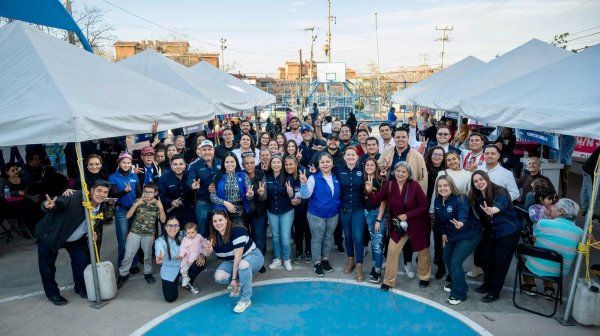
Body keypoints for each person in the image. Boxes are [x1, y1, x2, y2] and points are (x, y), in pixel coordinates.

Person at [36, 180, 109, 305]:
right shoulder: (75, 196)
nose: (102, 194)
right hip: (52, 235)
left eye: (105, 192)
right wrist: (49, 205)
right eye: (99, 190)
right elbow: (58, 203)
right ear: (91, 190)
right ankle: (52, 294)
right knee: (47, 267)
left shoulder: (101, 207)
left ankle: (80, 287)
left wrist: (93, 234)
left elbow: (96, 226)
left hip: (76, 238)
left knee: (81, 262)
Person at [366, 161, 432, 290]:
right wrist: (369, 192)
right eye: (398, 171)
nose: (400, 174)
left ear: (408, 174)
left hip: (418, 223)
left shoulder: (415, 186)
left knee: (423, 251)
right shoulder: (389, 185)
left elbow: (424, 206)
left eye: (404, 171)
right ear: (394, 172)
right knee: (392, 251)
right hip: (399, 225)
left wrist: (408, 215)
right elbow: (376, 200)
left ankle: (424, 277)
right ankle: (389, 281)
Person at [469, 170, 520, 303]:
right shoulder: (475, 196)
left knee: (500, 262)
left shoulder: (500, 191)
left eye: (481, 179)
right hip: (490, 232)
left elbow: (500, 204)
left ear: (486, 178)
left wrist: (492, 210)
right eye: (475, 181)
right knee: (485, 259)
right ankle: (487, 283)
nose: (479, 183)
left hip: (507, 232)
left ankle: (494, 291)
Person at [433, 176, 483, 305]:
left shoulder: (461, 199)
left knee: (455, 261)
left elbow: (463, 212)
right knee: (446, 258)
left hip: (469, 234)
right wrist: (443, 234)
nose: (442, 188)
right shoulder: (438, 201)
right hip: (452, 235)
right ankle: (457, 282)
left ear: (451, 186)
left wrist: (461, 222)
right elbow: (439, 220)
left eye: (445, 185)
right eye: (440, 186)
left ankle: (459, 294)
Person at [521, 198, 583, 298]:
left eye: (554, 206)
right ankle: (549, 289)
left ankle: (530, 285)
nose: (551, 207)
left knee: (522, 252)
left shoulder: (542, 223)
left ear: (561, 211)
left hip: (536, 267)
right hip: (559, 272)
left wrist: (546, 216)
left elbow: (535, 237)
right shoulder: (580, 232)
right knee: (553, 254)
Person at [205, 210, 264, 313]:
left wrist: (233, 279)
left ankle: (245, 299)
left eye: (220, 220)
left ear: (227, 220)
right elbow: (206, 253)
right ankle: (240, 282)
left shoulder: (237, 231)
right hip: (232, 261)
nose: (218, 223)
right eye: (215, 221)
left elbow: (238, 256)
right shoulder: (214, 236)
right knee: (219, 277)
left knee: (243, 265)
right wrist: (207, 250)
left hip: (252, 256)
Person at [300, 152, 341, 277]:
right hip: (316, 215)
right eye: (322, 162)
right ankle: (317, 262)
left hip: (333, 214)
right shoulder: (313, 178)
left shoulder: (336, 176)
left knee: (328, 238)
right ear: (319, 164)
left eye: (328, 162)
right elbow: (305, 195)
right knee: (317, 239)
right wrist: (303, 184)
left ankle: (325, 259)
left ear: (332, 163)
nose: (325, 164)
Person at [117, 182, 166, 288]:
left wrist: (161, 208)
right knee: (128, 255)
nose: (147, 194)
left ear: (156, 193)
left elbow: (163, 220)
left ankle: (148, 273)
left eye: (150, 192)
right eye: (145, 192)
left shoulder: (157, 204)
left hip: (148, 234)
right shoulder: (138, 201)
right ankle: (123, 274)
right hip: (135, 232)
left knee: (147, 255)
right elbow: (127, 216)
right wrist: (136, 204)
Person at [155, 218, 207, 301]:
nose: (173, 228)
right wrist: (159, 256)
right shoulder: (160, 241)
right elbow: (159, 249)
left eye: (176, 225)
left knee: (200, 262)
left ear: (179, 227)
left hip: (184, 264)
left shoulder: (185, 233)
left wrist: (203, 254)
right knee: (170, 298)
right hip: (170, 270)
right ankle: (175, 281)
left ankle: (188, 281)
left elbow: (198, 240)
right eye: (170, 225)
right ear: (165, 227)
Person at [337, 146, 367, 281]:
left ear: (357, 157)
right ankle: (351, 260)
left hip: (358, 209)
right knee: (347, 235)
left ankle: (359, 265)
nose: (350, 157)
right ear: (344, 157)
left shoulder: (362, 170)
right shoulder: (338, 170)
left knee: (358, 237)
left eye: (353, 155)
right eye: (348, 155)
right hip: (344, 209)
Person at [262, 155, 295, 271]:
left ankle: (286, 259)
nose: (276, 164)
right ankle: (277, 258)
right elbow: (264, 194)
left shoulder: (288, 177)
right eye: (274, 162)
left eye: (278, 162)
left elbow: (292, 196)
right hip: (272, 211)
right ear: (271, 164)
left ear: (282, 165)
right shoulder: (267, 176)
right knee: (275, 236)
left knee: (285, 237)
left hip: (286, 210)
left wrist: (291, 193)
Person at [109, 152, 142, 271]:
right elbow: (113, 194)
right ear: (119, 163)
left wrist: (138, 201)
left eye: (128, 162)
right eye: (124, 162)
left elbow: (139, 192)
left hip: (134, 210)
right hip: (121, 211)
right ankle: (123, 266)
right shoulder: (113, 177)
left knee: (134, 238)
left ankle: (133, 264)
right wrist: (125, 191)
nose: (126, 165)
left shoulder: (134, 176)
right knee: (123, 240)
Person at [188, 140, 222, 237]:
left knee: (220, 229)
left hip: (220, 202)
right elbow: (190, 181)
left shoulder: (221, 162)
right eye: (204, 150)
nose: (207, 152)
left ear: (213, 150)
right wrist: (193, 185)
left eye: (209, 149)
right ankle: (202, 251)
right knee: (202, 230)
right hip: (203, 203)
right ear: (200, 151)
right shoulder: (194, 166)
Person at [378, 127, 428, 193]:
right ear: (394, 138)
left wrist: (420, 198)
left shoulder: (418, 156)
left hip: (409, 196)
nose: (400, 139)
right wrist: (383, 167)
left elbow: (422, 178)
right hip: (389, 194)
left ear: (408, 138)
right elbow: (377, 168)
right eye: (398, 137)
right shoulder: (386, 153)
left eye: (403, 137)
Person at [210, 153, 253, 226]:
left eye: (232, 162)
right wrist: (226, 203)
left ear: (236, 163)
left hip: (239, 211)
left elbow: (249, 195)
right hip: (222, 211)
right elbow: (212, 196)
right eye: (227, 162)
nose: (229, 164)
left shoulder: (243, 176)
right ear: (223, 163)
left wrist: (249, 195)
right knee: (226, 236)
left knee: (240, 234)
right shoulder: (217, 177)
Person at [424, 146, 447, 279]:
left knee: (439, 239)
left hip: (440, 208)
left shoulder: (446, 171)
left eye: (440, 154)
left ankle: (440, 264)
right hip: (423, 206)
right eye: (434, 154)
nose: (437, 157)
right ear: (430, 155)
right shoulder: (424, 168)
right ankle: (424, 258)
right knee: (424, 236)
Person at [242, 155, 268, 272]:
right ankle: (249, 259)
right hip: (245, 212)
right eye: (246, 163)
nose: (249, 165)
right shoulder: (240, 175)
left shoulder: (260, 174)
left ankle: (260, 261)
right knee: (247, 238)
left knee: (259, 237)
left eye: (251, 162)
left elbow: (264, 198)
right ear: (243, 165)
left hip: (259, 211)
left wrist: (261, 194)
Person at [363, 158, 386, 283]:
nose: (369, 166)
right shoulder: (363, 180)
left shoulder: (381, 181)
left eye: (372, 165)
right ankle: (375, 266)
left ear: (376, 167)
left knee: (377, 242)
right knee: (373, 241)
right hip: (367, 213)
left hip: (378, 214)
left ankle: (377, 271)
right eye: (367, 164)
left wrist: (378, 219)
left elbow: (383, 201)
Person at [285, 155, 311, 263]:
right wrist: (290, 197)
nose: (288, 167)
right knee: (298, 231)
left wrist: (302, 201)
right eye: (286, 164)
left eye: (291, 164)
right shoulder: (286, 176)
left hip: (307, 208)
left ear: (296, 164)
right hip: (295, 209)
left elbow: (311, 192)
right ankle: (299, 251)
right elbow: (287, 193)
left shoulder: (305, 174)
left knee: (308, 231)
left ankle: (309, 251)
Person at [158, 154, 195, 225]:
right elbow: (160, 196)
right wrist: (171, 201)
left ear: (185, 165)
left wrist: (195, 189)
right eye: (175, 164)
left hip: (189, 212)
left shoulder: (191, 175)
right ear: (171, 166)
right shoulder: (164, 178)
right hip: (171, 213)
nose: (178, 167)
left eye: (181, 164)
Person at [178, 222, 207, 288]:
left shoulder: (199, 236)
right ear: (185, 233)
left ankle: (187, 266)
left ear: (196, 231)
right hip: (187, 254)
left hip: (196, 252)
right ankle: (185, 277)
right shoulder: (185, 239)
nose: (190, 235)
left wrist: (205, 245)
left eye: (192, 232)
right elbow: (182, 247)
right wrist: (182, 255)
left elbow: (203, 242)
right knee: (182, 264)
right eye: (188, 233)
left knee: (193, 255)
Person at [580, 146, 600, 219]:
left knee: (585, 189)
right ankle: (590, 214)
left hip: (587, 168)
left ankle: (586, 211)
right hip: (591, 171)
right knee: (594, 193)